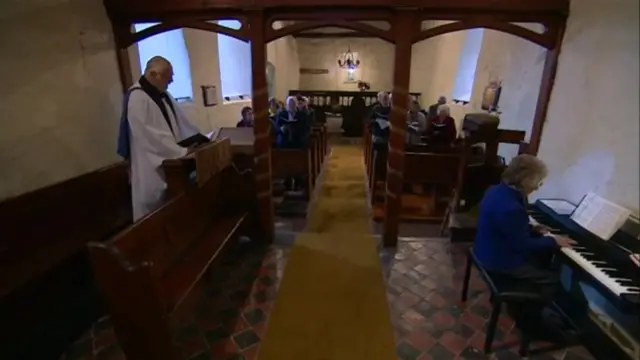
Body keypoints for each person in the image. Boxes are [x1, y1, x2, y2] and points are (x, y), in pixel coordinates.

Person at [474, 154, 577, 339]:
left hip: (485, 249)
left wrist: (532, 228)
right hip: (498, 261)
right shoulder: (512, 207)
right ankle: (533, 325)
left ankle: (521, 306)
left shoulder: (496, 190)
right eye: (538, 180)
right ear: (525, 179)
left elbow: (506, 227)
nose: (538, 186)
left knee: (539, 262)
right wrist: (554, 241)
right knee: (551, 278)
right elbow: (521, 245)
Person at [117, 56, 206, 221]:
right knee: (152, 214)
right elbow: (148, 136)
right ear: (153, 74)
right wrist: (182, 151)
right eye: (168, 75)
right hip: (150, 165)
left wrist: (199, 138)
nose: (171, 80)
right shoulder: (138, 98)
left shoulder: (162, 95)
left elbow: (182, 121)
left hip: (169, 163)